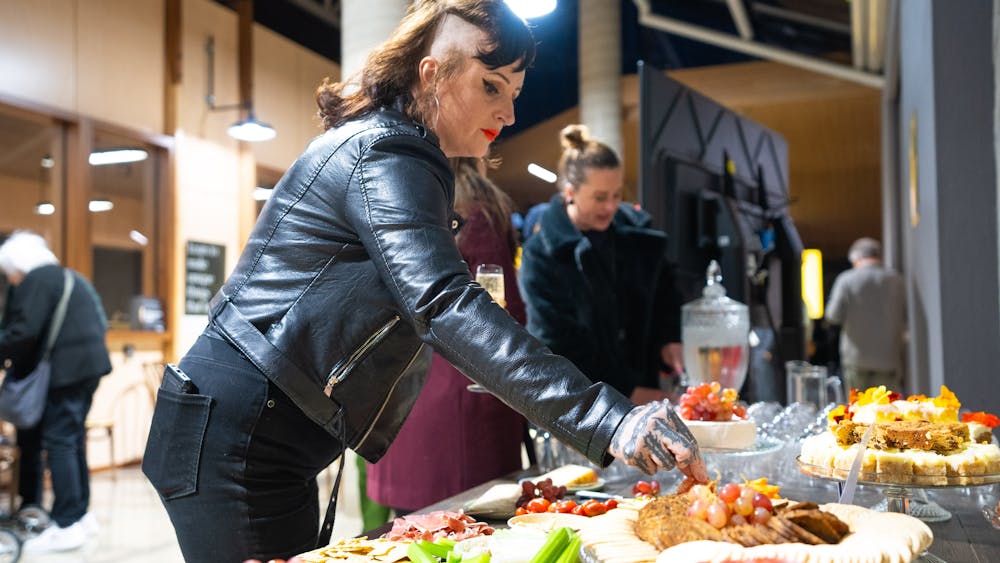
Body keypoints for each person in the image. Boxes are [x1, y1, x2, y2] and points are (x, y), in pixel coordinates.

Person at [142, 3, 708, 561]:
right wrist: (607, 418)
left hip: (259, 433)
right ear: (431, 74)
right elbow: (442, 301)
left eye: (514, 91)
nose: (509, 113)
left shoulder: (392, 147)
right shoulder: (386, 149)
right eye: (492, 86)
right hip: (238, 434)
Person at [367, 157, 527, 513]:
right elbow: (502, 313)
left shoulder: (401, 196)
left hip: (398, 396)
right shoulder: (482, 210)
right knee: (467, 532)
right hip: (461, 404)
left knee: (408, 536)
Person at [519, 125, 685, 405]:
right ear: (570, 191)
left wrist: (670, 338)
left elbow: (665, 292)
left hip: (645, 389)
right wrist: (629, 391)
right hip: (581, 404)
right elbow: (558, 344)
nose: (610, 207)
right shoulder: (542, 254)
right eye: (599, 197)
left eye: (617, 195)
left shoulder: (638, 236)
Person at [0, 231, 111, 553]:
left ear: (18, 265)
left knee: (60, 441)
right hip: (89, 369)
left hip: (65, 373)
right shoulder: (70, 277)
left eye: (11, 274)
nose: (13, 280)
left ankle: (66, 524)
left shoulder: (37, 280)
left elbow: (23, 333)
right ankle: (80, 514)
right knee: (73, 440)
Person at [825, 237, 906, 392]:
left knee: (858, 409)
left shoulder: (846, 280)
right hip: (888, 357)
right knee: (888, 410)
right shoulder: (896, 280)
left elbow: (833, 316)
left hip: (856, 358)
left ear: (856, 258)